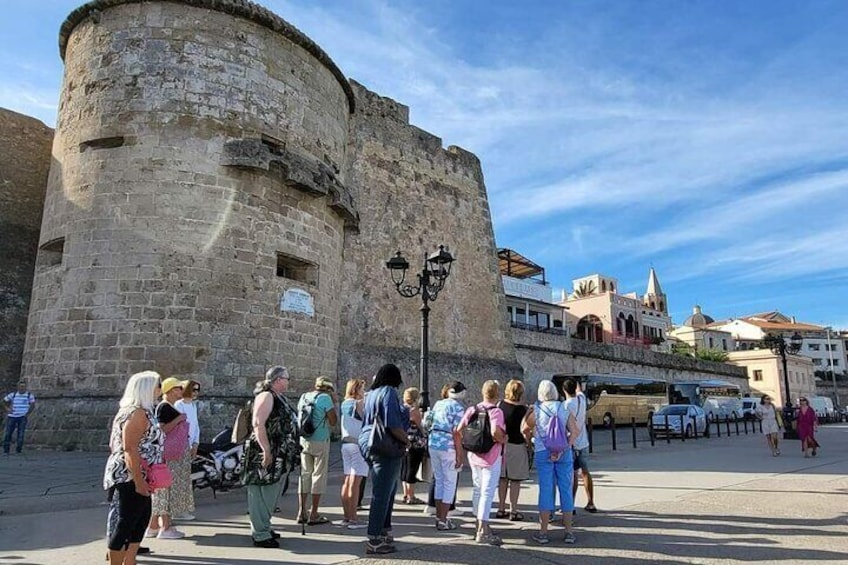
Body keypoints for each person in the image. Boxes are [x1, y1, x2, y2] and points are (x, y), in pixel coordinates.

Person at [104, 371, 164, 565]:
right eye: (158, 385)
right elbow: (129, 448)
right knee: (127, 522)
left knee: (141, 519)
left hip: (142, 472)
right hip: (131, 474)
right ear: (146, 389)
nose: (160, 389)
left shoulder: (141, 411)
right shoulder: (136, 413)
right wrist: (138, 480)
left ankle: (130, 561)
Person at [241, 366, 299, 547]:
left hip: (277, 451)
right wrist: (266, 450)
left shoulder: (276, 396)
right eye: (287, 378)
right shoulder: (266, 396)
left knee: (270, 490)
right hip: (265, 450)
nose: (288, 382)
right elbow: (258, 423)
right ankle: (260, 533)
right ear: (278, 379)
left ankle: (264, 526)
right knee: (261, 492)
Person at [359, 363, 409, 555]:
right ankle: (374, 538)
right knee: (382, 493)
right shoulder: (388, 392)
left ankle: (384, 530)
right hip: (383, 444)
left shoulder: (371, 394)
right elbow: (393, 424)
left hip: (368, 440)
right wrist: (408, 441)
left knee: (387, 490)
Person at [522, 380, 579, 545]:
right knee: (566, 490)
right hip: (564, 453)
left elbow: (524, 429)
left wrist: (531, 440)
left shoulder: (537, 410)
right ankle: (568, 532)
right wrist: (564, 447)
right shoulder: (564, 408)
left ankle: (543, 532)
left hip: (543, 452)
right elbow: (575, 431)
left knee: (546, 490)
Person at [457, 380, 506, 546]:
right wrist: (503, 438)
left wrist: (465, 443)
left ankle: (478, 523)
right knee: (487, 492)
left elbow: (458, 429)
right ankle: (483, 529)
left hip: (474, 454)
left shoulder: (472, 409)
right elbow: (494, 431)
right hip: (491, 455)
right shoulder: (496, 411)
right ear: (497, 393)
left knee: (478, 489)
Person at [146, 378, 190, 540]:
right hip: (169, 456)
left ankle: (153, 526)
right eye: (178, 388)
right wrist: (179, 419)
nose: (181, 391)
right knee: (165, 490)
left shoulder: (169, 406)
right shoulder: (164, 407)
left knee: (164, 490)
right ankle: (165, 526)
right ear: (171, 390)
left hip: (171, 455)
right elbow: (162, 429)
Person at [424, 381, 466, 529]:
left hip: (434, 443)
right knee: (449, 483)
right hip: (448, 446)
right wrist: (460, 454)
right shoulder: (459, 408)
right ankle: (443, 519)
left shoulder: (439, 404)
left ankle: (439, 517)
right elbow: (457, 432)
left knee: (440, 480)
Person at [296, 376, 338, 525]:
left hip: (304, 439)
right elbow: (333, 421)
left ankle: (301, 511)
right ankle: (314, 513)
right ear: (328, 388)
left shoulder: (304, 396)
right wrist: (333, 403)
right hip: (320, 439)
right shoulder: (325, 398)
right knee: (318, 475)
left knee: (305, 474)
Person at [495, 379, 529, 522]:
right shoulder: (523, 410)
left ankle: (501, 508)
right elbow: (526, 430)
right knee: (515, 480)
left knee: (502, 479)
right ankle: (513, 510)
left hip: (502, 444)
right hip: (517, 444)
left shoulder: (500, 406)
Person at [339, 378, 368, 529]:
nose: (364, 391)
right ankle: (353, 518)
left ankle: (346, 516)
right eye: (362, 388)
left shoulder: (344, 403)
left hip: (346, 443)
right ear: (356, 390)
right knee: (355, 482)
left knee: (347, 480)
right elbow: (364, 413)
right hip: (357, 444)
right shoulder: (357, 403)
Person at [564, 379, 596, 513]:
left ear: (564, 390)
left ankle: (570, 505)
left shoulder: (565, 405)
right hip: (583, 441)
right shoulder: (581, 400)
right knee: (585, 472)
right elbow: (580, 391)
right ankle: (591, 502)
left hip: (571, 442)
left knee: (572, 474)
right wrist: (578, 383)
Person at [173, 379, 201, 521]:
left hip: (190, 444)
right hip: (182, 445)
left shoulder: (194, 406)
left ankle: (183, 508)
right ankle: (177, 509)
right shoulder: (179, 405)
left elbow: (195, 425)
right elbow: (182, 425)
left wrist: (195, 443)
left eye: (198, 390)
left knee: (185, 479)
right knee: (179, 479)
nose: (196, 393)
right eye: (193, 389)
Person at [400, 387, 427, 505]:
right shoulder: (414, 410)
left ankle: (405, 494)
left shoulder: (401, 408)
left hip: (403, 440)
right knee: (412, 469)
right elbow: (420, 426)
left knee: (405, 468)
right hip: (415, 442)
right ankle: (411, 496)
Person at [3, 380, 35, 455]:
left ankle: (18, 450)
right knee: (8, 433)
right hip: (12, 417)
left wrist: (27, 413)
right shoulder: (13, 395)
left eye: (23, 386)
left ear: (26, 387)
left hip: (22, 417)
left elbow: (32, 404)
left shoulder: (29, 395)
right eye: (20, 386)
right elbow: (3, 401)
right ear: (18, 387)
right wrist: (7, 409)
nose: (22, 388)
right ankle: (6, 450)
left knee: (21, 434)